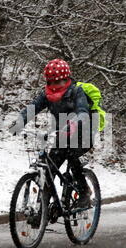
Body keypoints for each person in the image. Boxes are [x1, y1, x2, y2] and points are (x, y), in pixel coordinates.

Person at [9, 59, 98, 208]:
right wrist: (20, 122)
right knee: (50, 168)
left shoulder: (76, 92)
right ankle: (43, 209)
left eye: (58, 82)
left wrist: (74, 123)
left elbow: (82, 112)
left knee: (71, 154)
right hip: (62, 135)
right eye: (50, 82)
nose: (54, 86)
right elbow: (33, 107)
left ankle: (84, 192)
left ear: (66, 79)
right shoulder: (47, 94)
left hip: (84, 132)